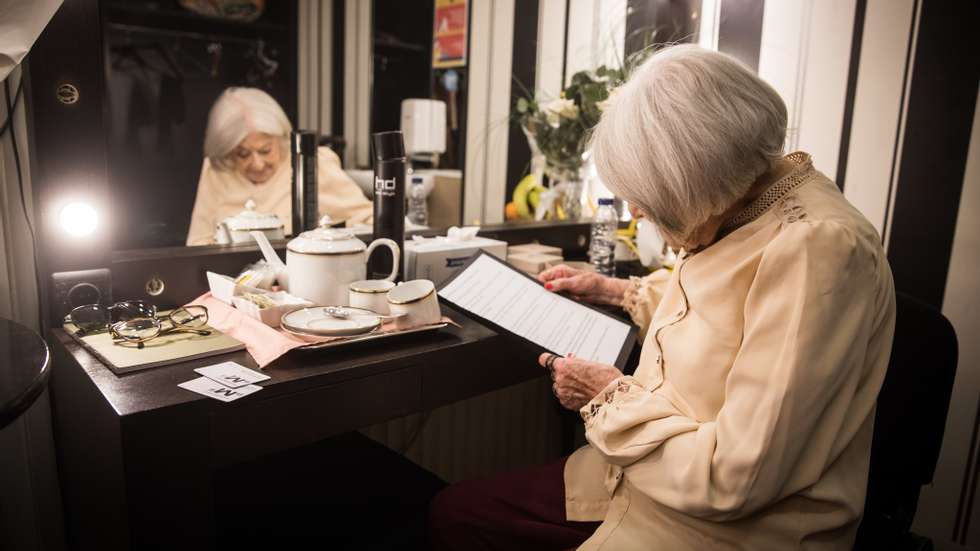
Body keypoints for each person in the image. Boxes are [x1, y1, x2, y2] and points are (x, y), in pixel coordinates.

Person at [429, 44, 896, 550]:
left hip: (716, 526)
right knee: (456, 513)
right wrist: (618, 289)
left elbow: (734, 478)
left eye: (647, 201)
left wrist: (607, 398)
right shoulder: (745, 203)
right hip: (642, 480)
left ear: (699, 180)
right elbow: (719, 313)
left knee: (459, 521)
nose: (634, 212)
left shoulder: (816, 249)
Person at [186, 87, 373, 246]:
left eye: (266, 150)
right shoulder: (217, 169)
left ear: (281, 139)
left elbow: (369, 221)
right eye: (242, 154)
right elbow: (197, 243)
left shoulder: (311, 164)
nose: (257, 164)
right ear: (226, 151)